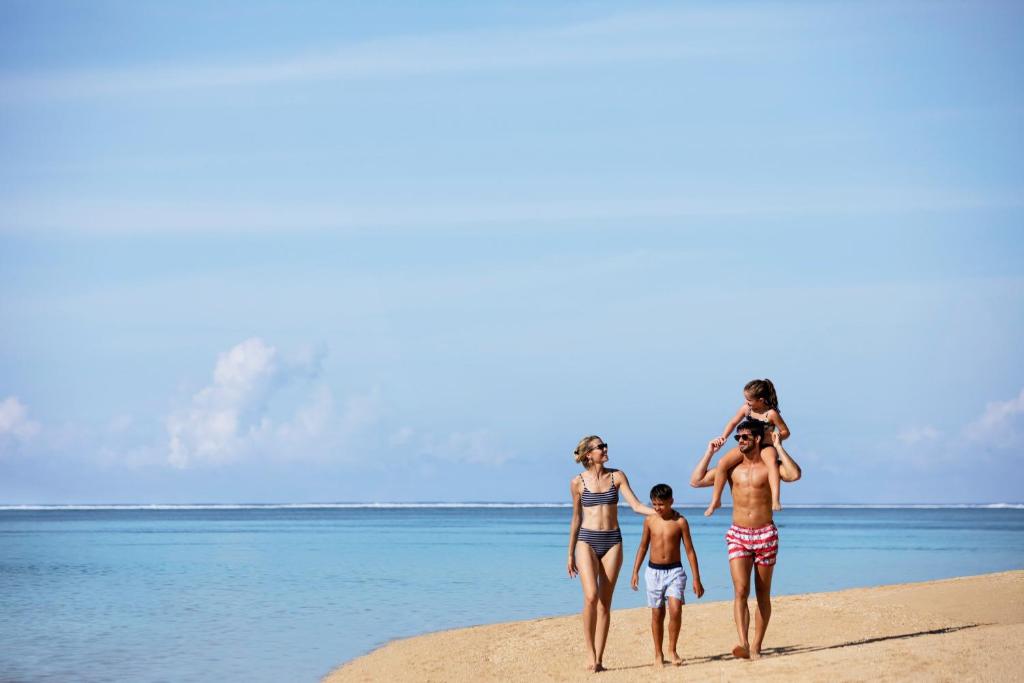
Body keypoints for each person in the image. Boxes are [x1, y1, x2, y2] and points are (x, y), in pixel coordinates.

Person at [691, 420, 801, 660]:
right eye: (737, 438)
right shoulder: (732, 468)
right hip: (738, 534)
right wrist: (710, 451)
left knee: (763, 592)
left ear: (757, 439)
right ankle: (742, 641)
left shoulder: (770, 467)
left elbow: (794, 474)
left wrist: (780, 447)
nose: (740, 441)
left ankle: (756, 646)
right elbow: (696, 480)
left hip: (765, 533)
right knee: (740, 589)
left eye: (745, 437)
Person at [567, 435, 656, 673]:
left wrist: (659, 513)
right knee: (591, 596)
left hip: (612, 541)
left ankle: (599, 659)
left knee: (605, 603)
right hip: (586, 540)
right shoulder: (577, 482)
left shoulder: (617, 476)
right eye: (600, 447)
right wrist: (569, 554)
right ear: (589, 454)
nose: (605, 449)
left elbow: (636, 505)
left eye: (605, 446)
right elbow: (576, 518)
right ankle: (589, 653)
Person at [630, 483, 704, 668]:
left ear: (671, 501)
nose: (657, 508)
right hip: (653, 571)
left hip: (675, 571)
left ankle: (672, 649)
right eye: (654, 504)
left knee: (676, 610)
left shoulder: (680, 522)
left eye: (661, 504)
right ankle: (658, 653)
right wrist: (635, 571)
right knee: (657, 614)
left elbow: (690, 551)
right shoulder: (650, 521)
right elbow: (643, 546)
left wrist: (696, 578)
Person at [705, 379, 790, 516]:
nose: (746, 402)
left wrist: (777, 436)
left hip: (766, 445)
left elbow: (786, 432)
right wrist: (724, 437)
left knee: (772, 464)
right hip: (750, 445)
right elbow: (733, 422)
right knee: (722, 463)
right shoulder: (747, 409)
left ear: (761, 400)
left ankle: (775, 499)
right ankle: (716, 500)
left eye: (749, 400)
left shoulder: (771, 414)